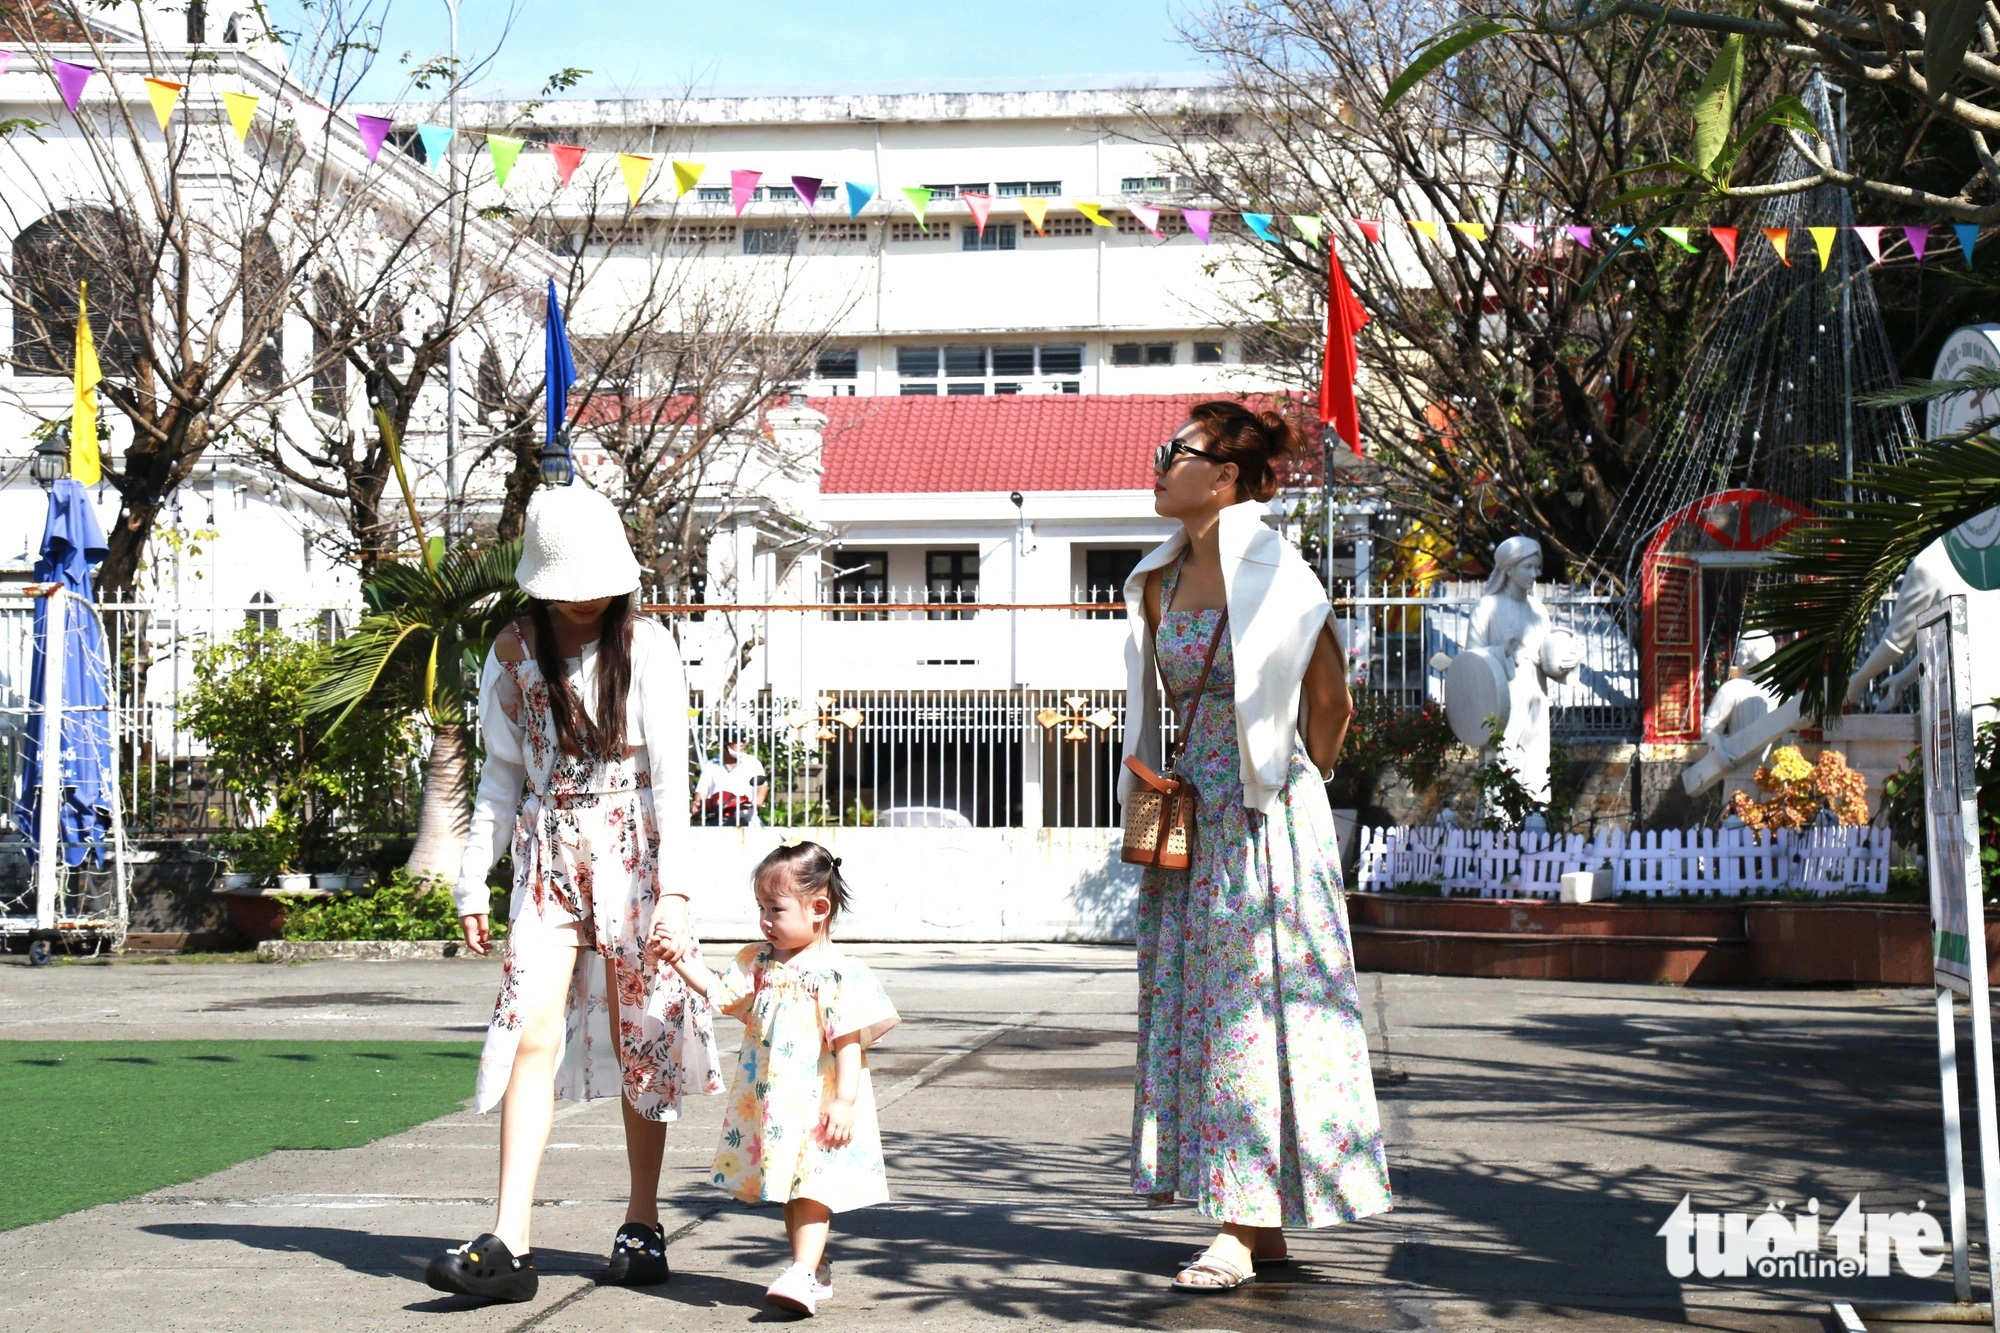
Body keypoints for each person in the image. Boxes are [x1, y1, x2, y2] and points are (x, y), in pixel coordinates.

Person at [426, 482, 723, 1304]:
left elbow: (671, 777)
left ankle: (641, 1219)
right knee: (527, 1022)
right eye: (570, 580)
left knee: (646, 1031)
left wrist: (679, 892)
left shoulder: (649, 646)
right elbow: (499, 774)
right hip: (545, 851)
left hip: (637, 851)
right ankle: (510, 1240)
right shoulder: (512, 650)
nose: (587, 595)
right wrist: (470, 877)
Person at [1120, 400, 1393, 1292]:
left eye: (1177, 452)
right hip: (1193, 820)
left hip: (1264, 818)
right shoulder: (1156, 579)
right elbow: (1154, 707)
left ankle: (1238, 1226)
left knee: (1250, 1011)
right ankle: (1258, 1224)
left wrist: (1283, 784)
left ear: (1227, 475)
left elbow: (1334, 699)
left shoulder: (1281, 572)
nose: (1159, 465)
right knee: (1203, 1008)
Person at [648, 841, 898, 1318]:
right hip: (774, 1102)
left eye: (776, 909)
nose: (765, 919)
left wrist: (844, 1102)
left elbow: (849, 1043)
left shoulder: (837, 974)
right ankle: (814, 1267)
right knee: (788, 1186)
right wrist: (678, 959)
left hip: (820, 1102)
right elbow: (722, 993)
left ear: (818, 909)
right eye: (761, 907)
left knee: (811, 1187)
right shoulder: (760, 964)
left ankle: (802, 1274)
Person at [1463, 535, 1579, 806]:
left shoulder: (1538, 611)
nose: (1535, 574)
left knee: (1536, 760)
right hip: (1502, 698)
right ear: (1509, 568)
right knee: (1503, 759)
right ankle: (1499, 822)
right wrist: (1501, 651)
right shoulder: (1487, 608)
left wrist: (1565, 661)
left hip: (1535, 697)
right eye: (1528, 567)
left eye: (1537, 568)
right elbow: (1470, 658)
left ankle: (1535, 815)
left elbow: (1548, 658)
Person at [694, 730, 769, 826]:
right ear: (725, 743)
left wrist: (758, 799)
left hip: (746, 817)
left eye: (743, 740)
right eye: (736, 740)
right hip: (717, 817)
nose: (742, 744)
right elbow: (701, 790)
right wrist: (697, 803)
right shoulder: (711, 765)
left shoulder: (752, 763)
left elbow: (762, 785)